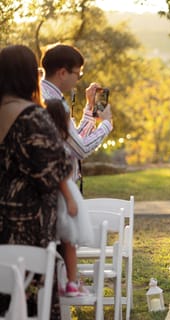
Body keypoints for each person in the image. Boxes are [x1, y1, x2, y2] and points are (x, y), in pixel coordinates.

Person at [0, 45, 72, 319]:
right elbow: (54, 171)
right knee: (31, 300)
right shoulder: (32, 116)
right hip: (27, 223)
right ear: (29, 75)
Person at [40, 43, 113, 184]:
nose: (78, 79)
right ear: (62, 73)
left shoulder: (45, 95)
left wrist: (90, 106)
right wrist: (106, 124)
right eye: (78, 74)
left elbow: (74, 141)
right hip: (58, 190)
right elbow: (81, 149)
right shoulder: (51, 102)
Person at [45, 98, 94, 297]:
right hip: (65, 195)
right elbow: (63, 173)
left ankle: (63, 280)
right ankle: (72, 282)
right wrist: (71, 200)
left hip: (52, 195)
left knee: (58, 242)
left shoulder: (47, 142)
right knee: (69, 241)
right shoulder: (61, 146)